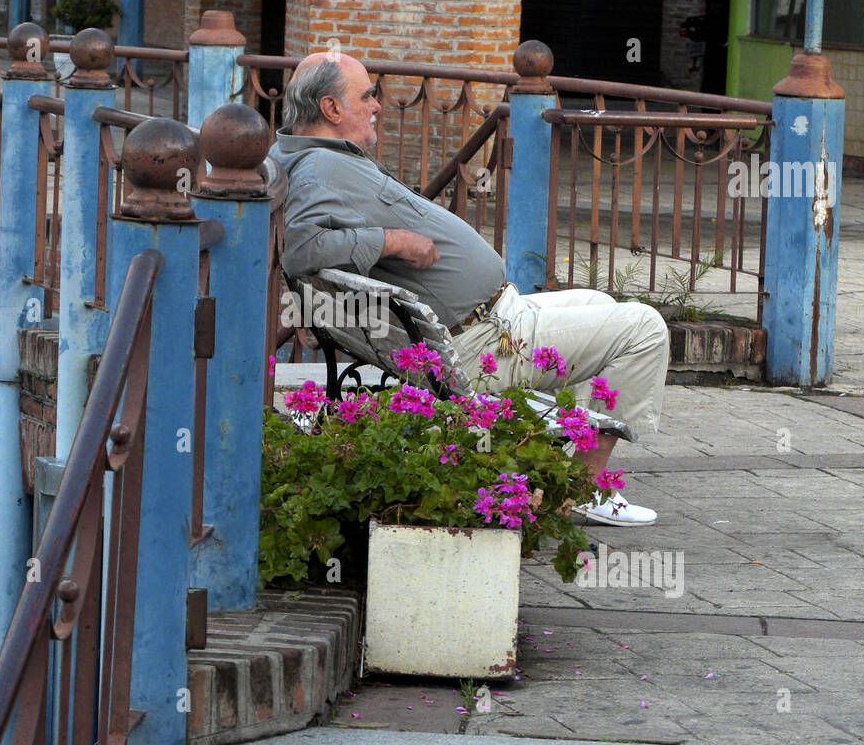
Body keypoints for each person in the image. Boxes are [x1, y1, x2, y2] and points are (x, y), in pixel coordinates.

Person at [269, 50, 669, 526]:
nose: (377, 105)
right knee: (643, 327)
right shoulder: (320, 169)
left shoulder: (306, 157)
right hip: (480, 343)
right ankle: (583, 487)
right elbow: (301, 250)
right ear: (332, 109)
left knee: (599, 303)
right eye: (367, 95)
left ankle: (556, 452)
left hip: (485, 320)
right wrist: (392, 240)